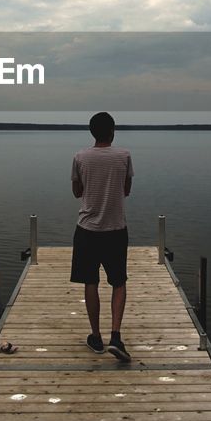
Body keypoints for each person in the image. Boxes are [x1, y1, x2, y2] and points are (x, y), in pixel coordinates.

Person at [70, 111, 134, 362]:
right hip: (116, 229)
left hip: (87, 230)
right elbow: (126, 190)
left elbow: (76, 192)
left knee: (91, 282)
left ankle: (95, 337)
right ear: (113, 131)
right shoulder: (124, 156)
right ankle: (115, 336)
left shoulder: (80, 157)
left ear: (91, 132)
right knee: (118, 282)